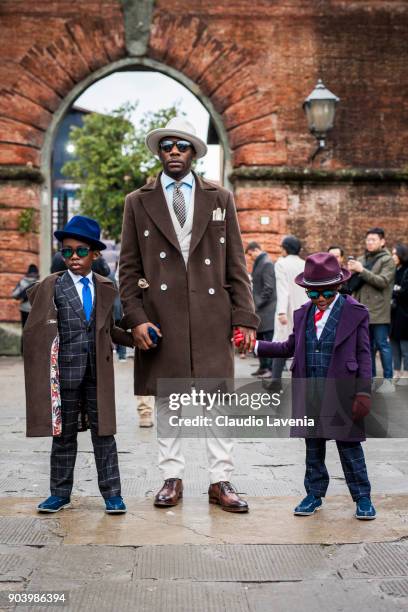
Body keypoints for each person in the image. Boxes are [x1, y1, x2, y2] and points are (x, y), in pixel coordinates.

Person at [119, 117, 258, 512]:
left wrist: (245, 317)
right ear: (159, 153)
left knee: (217, 402)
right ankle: (171, 477)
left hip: (211, 314)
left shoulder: (220, 198)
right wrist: (136, 317)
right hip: (160, 317)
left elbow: (236, 263)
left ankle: (220, 480)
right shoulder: (137, 201)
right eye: (167, 147)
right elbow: (128, 269)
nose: (174, 152)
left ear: (194, 151)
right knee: (170, 403)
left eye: (182, 146)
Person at [237, 252, 376, 520]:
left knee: (349, 448)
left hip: (343, 389)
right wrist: (254, 344)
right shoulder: (302, 315)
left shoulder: (356, 313)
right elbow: (289, 347)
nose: (320, 299)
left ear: (337, 287)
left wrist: (363, 392)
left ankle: (363, 498)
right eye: (313, 294)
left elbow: (364, 354)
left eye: (325, 293)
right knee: (313, 447)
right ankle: (314, 494)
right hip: (309, 388)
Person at [23, 215, 133, 514]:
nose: (73, 257)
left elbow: (111, 328)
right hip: (64, 374)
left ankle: (112, 495)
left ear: (94, 254)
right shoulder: (52, 287)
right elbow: (35, 332)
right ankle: (59, 494)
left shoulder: (105, 287)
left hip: (98, 374)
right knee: (63, 437)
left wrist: (139, 339)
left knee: (104, 435)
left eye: (81, 251)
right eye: (67, 251)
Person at [348, 228, 396, 393]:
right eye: (368, 240)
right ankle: (370, 379)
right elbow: (353, 286)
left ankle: (388, 381)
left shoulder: (387, 260)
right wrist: (351, 272)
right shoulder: (361, 259)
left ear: (382, 242)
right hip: (362, 311)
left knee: (383, 345)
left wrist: (362, 270)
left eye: (373, 240)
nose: (369, 243)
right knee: (365, 347)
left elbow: (382, 281)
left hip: (379, 311)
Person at [263, 235, 306, 392]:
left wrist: (281, 311)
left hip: (287, 311)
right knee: (302, 345)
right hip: (303, 310)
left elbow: (283, 289)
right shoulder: (304, 264)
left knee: (280, 345)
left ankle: (276, 381)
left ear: (285, 248)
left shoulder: (281, 264)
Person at [245, 241, 276, 378]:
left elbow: (268, 288)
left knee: (267, 342)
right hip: (260, 312)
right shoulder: (260, 262)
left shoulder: (267, 263)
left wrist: (256, 304)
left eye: (251, 254)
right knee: (260, 341)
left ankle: (269, 369)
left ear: (256, 250)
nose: (250, 258)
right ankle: (263, 367)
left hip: (267, 311)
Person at [390, 243, 408, 384]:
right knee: (394, 344)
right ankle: (397, 371)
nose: (393, 256)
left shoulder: (406, 270)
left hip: (405, 315)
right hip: (393, 313)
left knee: (405, 346)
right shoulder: (394, 270)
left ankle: (406, 373)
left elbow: (404, 292)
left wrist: (394, 292)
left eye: (395, 254)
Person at [11, 263, 39, 353]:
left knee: (25, 330)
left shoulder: (22, 282)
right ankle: (33, 351)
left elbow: (14, 295)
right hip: (35, 310)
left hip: (24, 310)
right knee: (35, 331)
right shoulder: (39, 283)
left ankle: (23, 352)